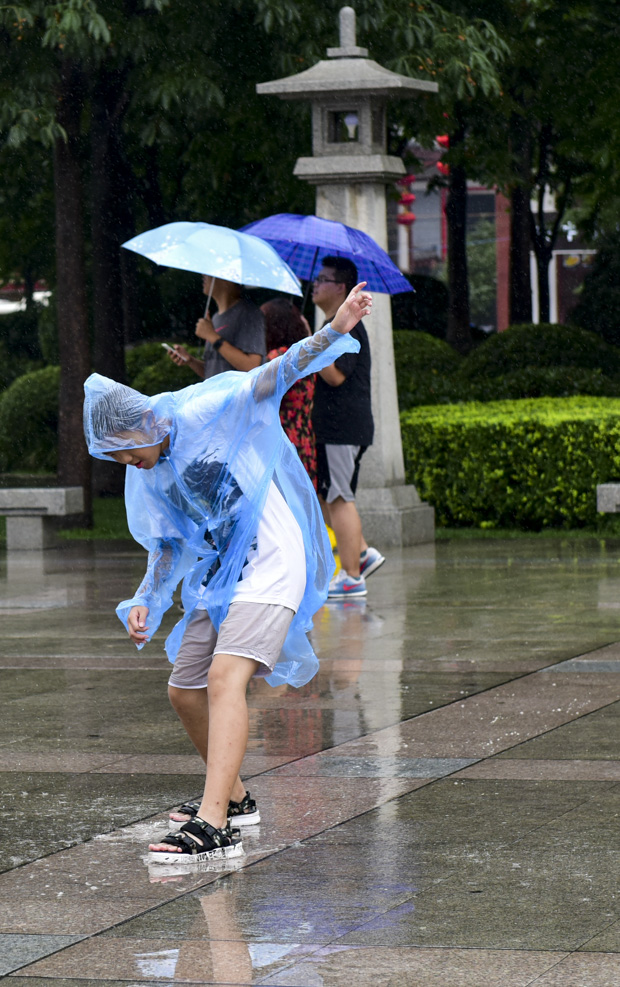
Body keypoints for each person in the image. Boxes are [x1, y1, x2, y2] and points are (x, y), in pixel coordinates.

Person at [85, 283, 374, 864]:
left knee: (224, 679)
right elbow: (169, 544)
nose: (127, 465)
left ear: (143, 421)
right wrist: (145, 598)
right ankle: (237, 799)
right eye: (116, 458)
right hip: (222, 573)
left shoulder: (202, 411)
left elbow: (277, 373)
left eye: (124, 452)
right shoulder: (146, 469)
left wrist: (337, 328)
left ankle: (214, 825)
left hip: (271, 558)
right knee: (185, 689)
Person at [310, 256, 384, 597]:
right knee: (327, 496)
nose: (315, 284)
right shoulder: (334, 325)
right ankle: (363, 553)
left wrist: (311, 350)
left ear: (341, 287)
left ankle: (352, 576)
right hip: (335, 427)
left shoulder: (348, 325)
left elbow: (337, 375)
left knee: (339, 497)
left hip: (343, 427)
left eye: (323, 279)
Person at [167, 275, 267, 379]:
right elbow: (213, 374)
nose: (203, 276)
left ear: (227, 279)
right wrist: (190, 360)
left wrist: (212, 336)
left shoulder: (249, 314)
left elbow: (251, 367)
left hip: (236, 395)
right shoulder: (215, 318)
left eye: (209, 274)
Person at [261, 298, 316, 486]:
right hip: (303, 438)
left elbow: (256, 393)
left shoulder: (278, 358)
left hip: (281, 438)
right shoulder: (303, 356)